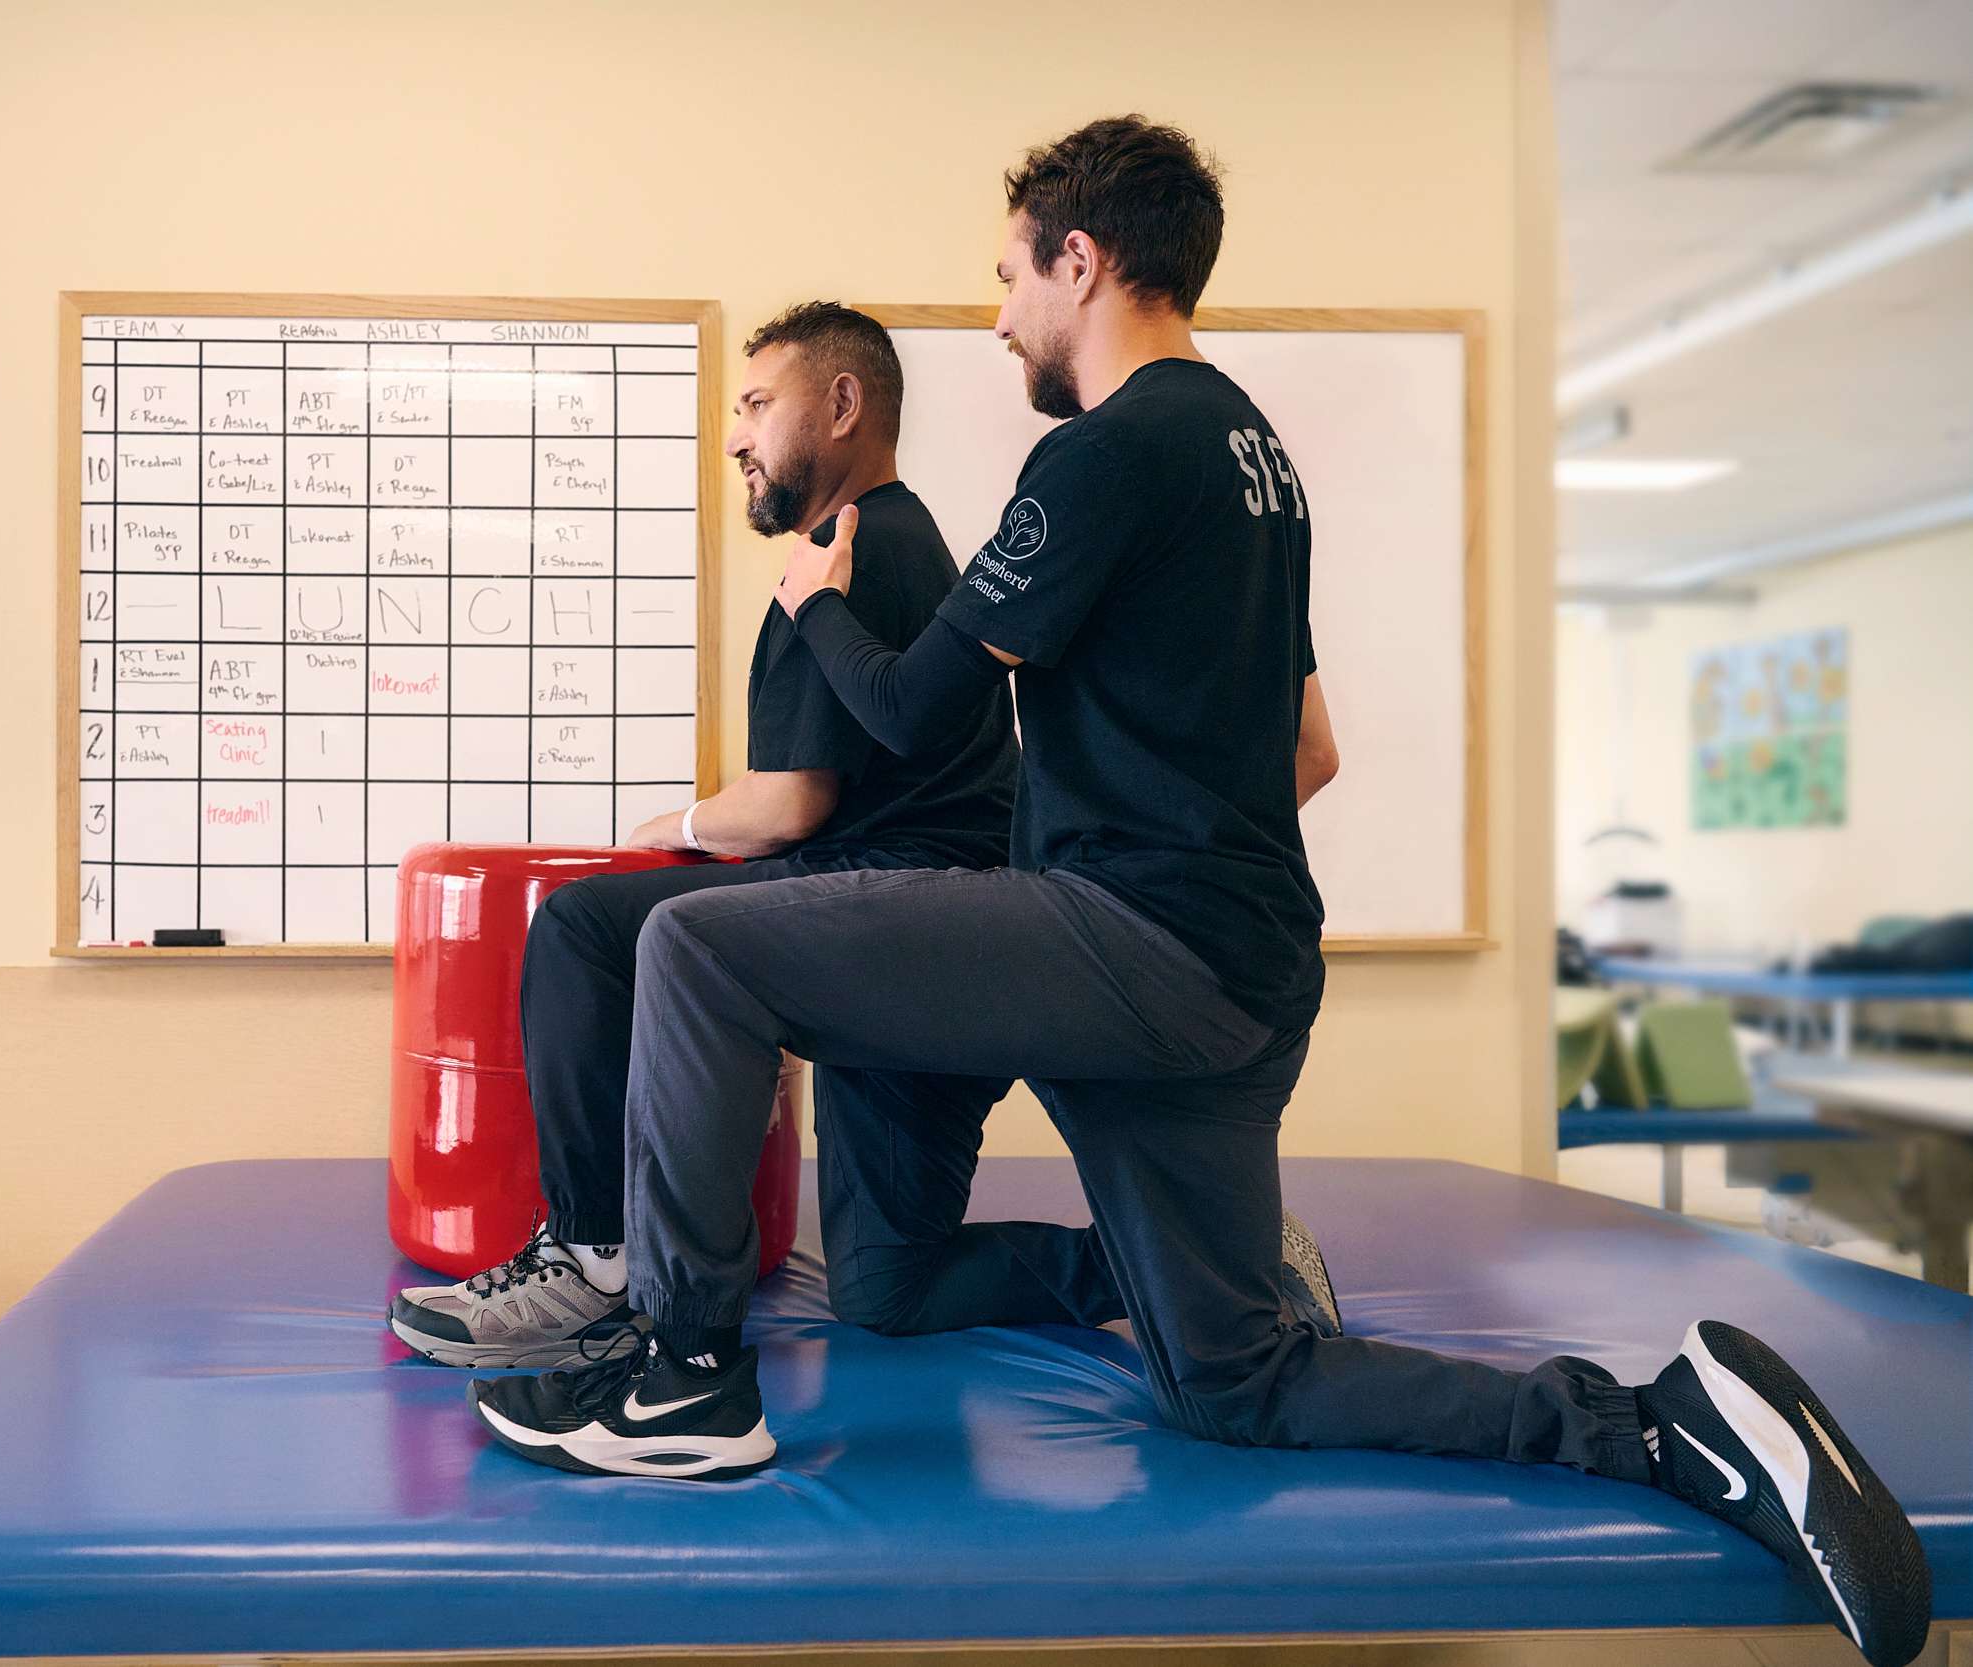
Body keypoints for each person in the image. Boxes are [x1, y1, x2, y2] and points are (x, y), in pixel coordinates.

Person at [466, 119, 1929, 1667]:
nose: (1000, 318)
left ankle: (685, 1375)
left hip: (1133, 941)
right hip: (1238, 972)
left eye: (1011, 279)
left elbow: (903, 712)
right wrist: (1139, 836)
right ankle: (1658, 1421)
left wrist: (825, 612)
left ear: (1079, 262)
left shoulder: (1106, 449)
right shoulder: (1256, 455)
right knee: (1236, 1380)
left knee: (695, 945)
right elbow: (1308, 747)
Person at [390, 300, 1344, 1374]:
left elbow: (788, 805)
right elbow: (1306, 751)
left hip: (939, 920)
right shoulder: (926, 535)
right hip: (984, 925)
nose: (736, 436)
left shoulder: (846, 554)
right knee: (890, 1281)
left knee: (585, 926)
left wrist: (665, 828)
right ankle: (1224, 1267)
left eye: (756, 404)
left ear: (842, 405)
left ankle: (598, 1257)